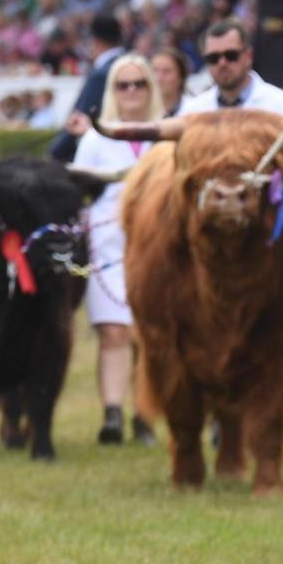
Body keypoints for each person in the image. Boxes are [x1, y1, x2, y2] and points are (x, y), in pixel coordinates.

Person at [67, 53, 162, 446]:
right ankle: (111, 414)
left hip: (155, 248)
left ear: (150, 89)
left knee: (148, 334)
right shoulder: (94, 138)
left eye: (139, 84)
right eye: (123, 85)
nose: (132, 92)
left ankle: (144, 413)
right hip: (107, 247)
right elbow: (80, 194)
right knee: (113, 332)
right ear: (113, 91)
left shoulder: (165, 134)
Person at [179, 18, 283, 255]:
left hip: (272, 242)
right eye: (213, 58)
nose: (222, 63)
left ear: (248, 56)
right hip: (208, 243)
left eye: (231, 55)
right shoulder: (192, 113)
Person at [51, 13, 126, 162]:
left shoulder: (101, 74)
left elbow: (81, 117)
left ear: (94, 40)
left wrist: (56, 151)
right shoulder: (130, 64)